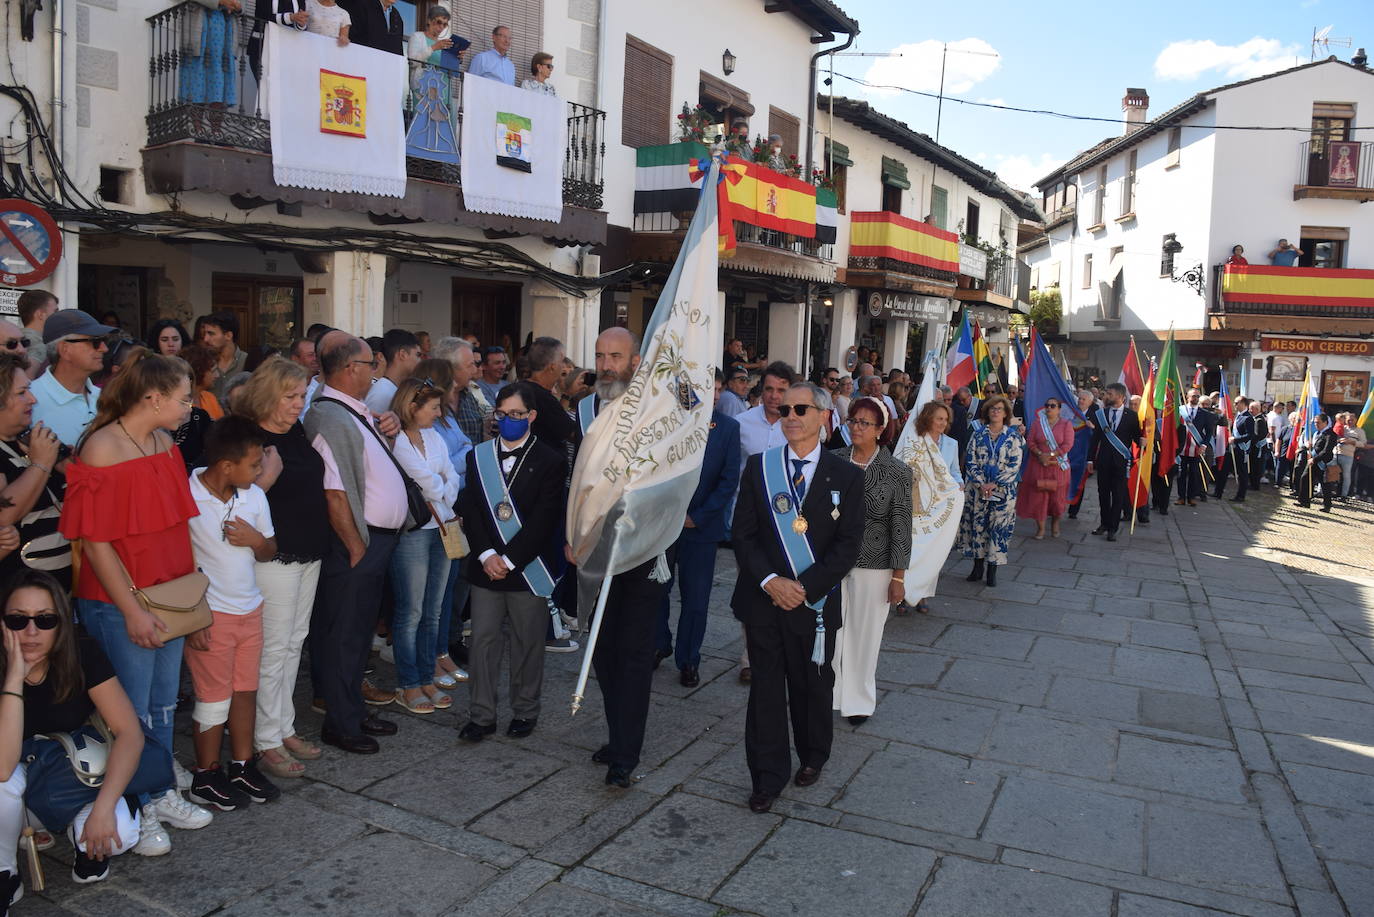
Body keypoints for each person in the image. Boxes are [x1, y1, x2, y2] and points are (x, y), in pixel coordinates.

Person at [59, 351, 214, 856]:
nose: (190, 407)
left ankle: (160, 791)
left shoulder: (164, 442)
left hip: (170, 596)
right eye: (184, 398)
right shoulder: (102, 448)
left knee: (163, 705)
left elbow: (177, 525)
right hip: (121, 603)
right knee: (131, 713)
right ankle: (138, 805)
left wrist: (193, 595)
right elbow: (96, 542)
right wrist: (132, 611)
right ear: (153, 397)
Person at [731, 382, 864, 813]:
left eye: (800, 409)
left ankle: (812, 755)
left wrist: (805, 588)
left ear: (824, 417)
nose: (789, 416)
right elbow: (743, 534)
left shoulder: (847, 475)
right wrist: (771, 580)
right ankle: (767, 777)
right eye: (784, 409)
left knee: (812, 687)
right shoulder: (760, 467)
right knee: (766, 691)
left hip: (815, 605)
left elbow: (848, 546)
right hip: (764, 600)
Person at [0, 570, 172, 885]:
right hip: (19, 779)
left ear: (62, 623)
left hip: (75, 774)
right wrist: (13, 678)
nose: (31, 631)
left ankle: (93, 816)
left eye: (45, 619)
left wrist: (103, 809)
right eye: (17, 620)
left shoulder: (81, 652)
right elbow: (2, 768)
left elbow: (129, 732)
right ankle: (6, 873)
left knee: (117, 836)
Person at [303, 332, 406, 754]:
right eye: (369, 365)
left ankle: (353, 710)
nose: (374, 373)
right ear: (350, 369)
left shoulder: (351, 410)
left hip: (371, 540)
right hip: (357, 543)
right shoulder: (330, 416)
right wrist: (355, 546)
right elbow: (334, 492)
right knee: (343, 634)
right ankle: (341, 722)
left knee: (358, 633)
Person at [235, 357, 329, 779]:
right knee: (273, 650)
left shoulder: (296, 431)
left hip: (309, 550)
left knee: (294, 643)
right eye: (290, 396)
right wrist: (266, 479)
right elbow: (234, 505)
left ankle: (283, 727)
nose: (298, 403)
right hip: (274, 556)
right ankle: (265, 739)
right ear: (269, 394)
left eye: (302, 395)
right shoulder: (248, 438)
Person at [457, 382, 565, 742]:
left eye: (516, 414)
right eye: (501, 414)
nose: (508, 420)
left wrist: (509, 559)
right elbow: (472, 509)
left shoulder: (550, 460)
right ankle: (481, 715)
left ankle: (525, 711)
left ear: (531, 416)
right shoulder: (479, 456)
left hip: (527, 568)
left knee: (527, 643)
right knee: (483, 642)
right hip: (486, 567)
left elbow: (544, 520)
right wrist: (487, 555)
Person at [184, 416, 281, 810]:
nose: (260, 472)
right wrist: (194, 618)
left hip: (249, 609)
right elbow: (178, 562)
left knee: (245, 691)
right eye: (254, 464)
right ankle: (205, 775)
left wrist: (256, 540)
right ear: (226, 466)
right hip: (211, 616)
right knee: (213, 698)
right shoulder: (187, 496)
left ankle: (241, 766)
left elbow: (270, 550)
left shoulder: (253, 496)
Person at [656, 372, 740, 687]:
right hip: (666, 525)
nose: (716, 395)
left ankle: (689, 658)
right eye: (710, 388)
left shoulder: (728, 428)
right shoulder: (670, 422)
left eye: (719, 389)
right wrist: (672, 512)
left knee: (696, 599)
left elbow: (729, 480)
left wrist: (698, 517)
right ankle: (659, 644)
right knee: (657, 590)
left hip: (702, 529)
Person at [831, 396, 911, 725]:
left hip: (874, 565)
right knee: (831, 631)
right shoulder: (833, 460)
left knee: (865, 635)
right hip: (831, 562)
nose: (857, 427)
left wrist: (898, 578)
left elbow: (901, 527)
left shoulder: (897, 471)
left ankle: (858, 701)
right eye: (853, 420)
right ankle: (831, 693)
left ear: (880, 430)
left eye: (865, 423)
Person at [387, 378, 460, 715]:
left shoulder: (433, 436)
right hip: (414, 532)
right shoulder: (398, 441)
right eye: (433, 407)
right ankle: (409, 683)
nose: (438, 413)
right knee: (411, 611)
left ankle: (427, 675)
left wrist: (442, 487)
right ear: (412, 407)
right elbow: (429, 483)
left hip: (442, 527)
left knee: (433, 610)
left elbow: (451, 477)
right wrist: (442, 487)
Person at [412, 357, 473, 688]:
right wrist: (454, 470)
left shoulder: (445, 419)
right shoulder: (421, 428)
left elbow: (459, 460)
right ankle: (427, 661)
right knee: (426, 599)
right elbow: (440, 473)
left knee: (447, 589)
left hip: (451, 511)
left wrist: (452, 471)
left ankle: (441, 652)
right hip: (433, 515)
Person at [0, 352, 66, 588]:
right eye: (21, 393)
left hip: (60, 590)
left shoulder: (30, 440)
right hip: (19, 594)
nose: (32, 399)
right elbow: (4, 516)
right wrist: (41, 464)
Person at [897, 400, 963, 615]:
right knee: (913, 548)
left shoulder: (951, 444)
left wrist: (959, 484)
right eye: (939, 419)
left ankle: (923, 595)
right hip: (916, 503)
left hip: (940, 507)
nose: (943, 423)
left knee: (933, 549)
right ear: (928, 419)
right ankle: (903, 594)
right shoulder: (915, 441)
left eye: (945, 419)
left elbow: (955, 472)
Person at [957, 395, 1024, 584]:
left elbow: (1014, 464)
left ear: (1006, 413)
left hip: (1003, 492)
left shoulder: (1013, 437)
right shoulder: (978, 434)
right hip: (978, 491)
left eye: (999, 409)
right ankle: (977, 567)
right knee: (978, 527)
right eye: (992, 408)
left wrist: (995, 483)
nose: (995, 412)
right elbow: (970, 460)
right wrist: (981, 483)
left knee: (998, 528)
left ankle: (992, 570)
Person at [30, 310, 115, 447]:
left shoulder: (105, 398)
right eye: (95, 342)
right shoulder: (30, 401)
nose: (104, 348)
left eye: (104, 341)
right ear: (65, 349)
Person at [1086, 383, 1141, 542]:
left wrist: (1144, 438)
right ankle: (1104, 523)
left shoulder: (1132, 416)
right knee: (1103, 494)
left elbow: (1137, 437)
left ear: (1120, 396)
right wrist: (1090, 459)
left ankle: (1113, 528)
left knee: (1118, 495)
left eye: (1110, 394)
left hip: (1121, 462)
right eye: (1106, 393)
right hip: (1103, 461)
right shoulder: (1101, 414)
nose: (1106, 396)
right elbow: (1095, 439)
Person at [1016, 397, 1074, 539]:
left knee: (1057, 500)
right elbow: (1030, 441)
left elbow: (1068, 444)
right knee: (1039, 498)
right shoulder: (1037, 423)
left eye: (1053, 406)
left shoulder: (1066, 424)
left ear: (1059, 409)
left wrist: (1051, 454)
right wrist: (1040, 454)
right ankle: (1040, 528)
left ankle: (1055, 524)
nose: (1049, 408)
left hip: (1058, 466)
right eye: (1047, 405)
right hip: (1039, 464)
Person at [364, 329, 421, 414]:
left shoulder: (390, 388)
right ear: (403, 354)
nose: (420, 361)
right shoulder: (381, 394)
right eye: (417, 355)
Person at [198, 312, 247, 402]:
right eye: (205, 334)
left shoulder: (247, 361)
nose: (205, 339)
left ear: (228, 335)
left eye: (211, 334)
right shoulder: (203, 362)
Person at [1296, 414, 1338, 512]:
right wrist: (1305, 447)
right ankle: (1304, 501)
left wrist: (1315, 459)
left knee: (1325, 485)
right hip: (1314, 461)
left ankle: (1327, 506)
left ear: (1325, 422)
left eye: (1318, 423)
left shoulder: (1330, 434)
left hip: (1323, 462)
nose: (1316, 425)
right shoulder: (1317, 433)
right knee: (1305, 478)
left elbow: (1326, 450)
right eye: (1315, 423)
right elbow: (1315, 447)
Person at [1066, 389, 1096, 520]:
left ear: (1090, 402)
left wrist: (1093, 428)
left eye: (1084, 399)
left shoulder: (1095, 415)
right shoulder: (1072, 413)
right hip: (1068, 452)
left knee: (1079, 482)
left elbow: (1097, 437)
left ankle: (1073, 510)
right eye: (1079, 398)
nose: (1081, 401)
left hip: (1083, 454)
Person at [17, 290, 59, 369]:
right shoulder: (36, 343)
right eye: (55, 311)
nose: (58, 316)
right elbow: (28, 376)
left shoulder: (15, 340)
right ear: (40, 314)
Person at [1337, 411, 1365, 499]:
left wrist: (1353, 442)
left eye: (1352, 420)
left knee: (1346, 476)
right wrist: (1340, 440)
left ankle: (1344, 495)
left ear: (1356, 420)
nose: (1350, 421)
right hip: (1336, 453)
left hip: (1348, 456)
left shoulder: (1359, 431)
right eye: (1348, 420)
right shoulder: (1341, 428)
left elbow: (1363, 444)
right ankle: (1332, 492)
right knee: (1332, 472)